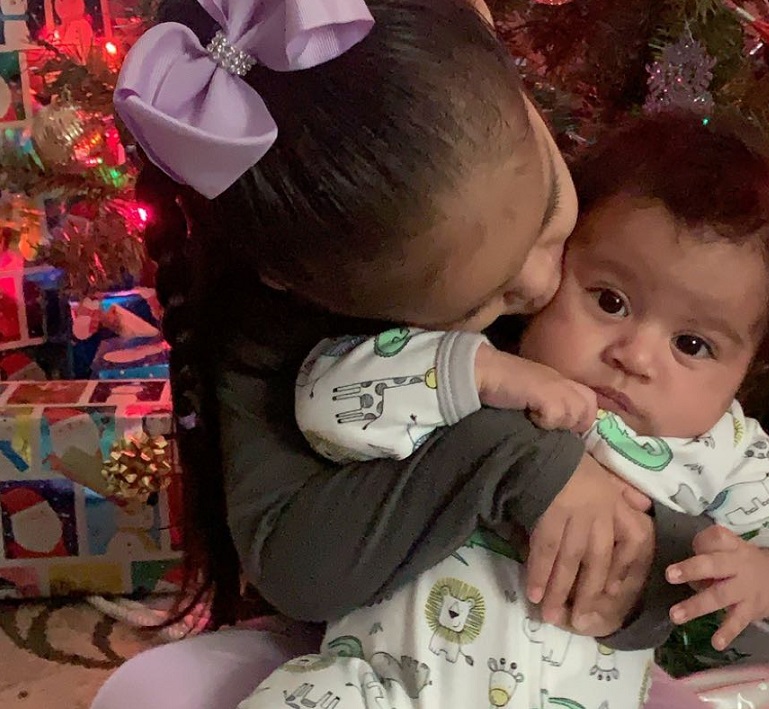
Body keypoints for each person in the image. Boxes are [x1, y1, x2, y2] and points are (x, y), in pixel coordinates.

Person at [92, 1, 712, 707]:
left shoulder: (604, 211)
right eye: (480, 305)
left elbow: (697, 461)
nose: (544, 284)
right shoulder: (270, 325)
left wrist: (661, 556)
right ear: (303, 285)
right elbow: (296, 566)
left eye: (546, 210)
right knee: (152, 688)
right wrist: (508, 457)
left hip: (562, 668)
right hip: (383, 663)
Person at [241, 113, 769, 709]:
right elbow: (324, 401)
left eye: (692, 345)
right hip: (387, 688)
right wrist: (476, 373)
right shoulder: (469, 365)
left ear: (745, 373)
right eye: (610, 301)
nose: (634, 355)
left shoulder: (722, 448)